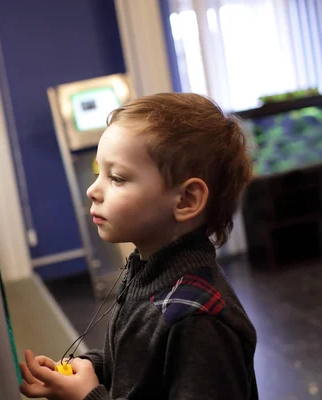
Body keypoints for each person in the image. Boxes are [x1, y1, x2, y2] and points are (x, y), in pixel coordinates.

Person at [19, 93, 258, 400]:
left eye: (116, 178)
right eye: (98, 173)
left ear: (186, 200)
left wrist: (87, 396)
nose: (93, 190)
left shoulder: (199, 321)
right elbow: (137, 363)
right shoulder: (147, 271)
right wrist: (86, 368)